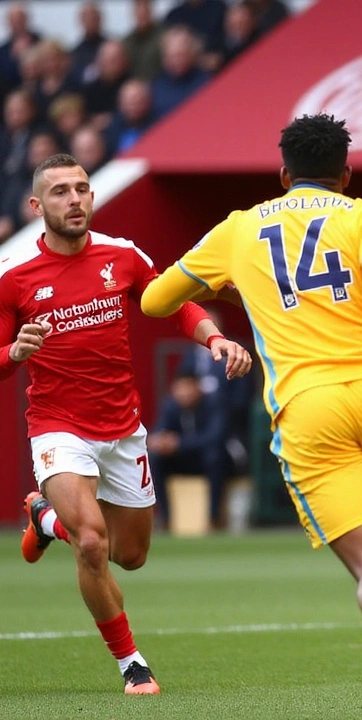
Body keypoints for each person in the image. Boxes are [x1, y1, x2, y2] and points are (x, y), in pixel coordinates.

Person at [138, 115, 362, 720]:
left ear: (282, 175)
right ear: (347, 175)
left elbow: (154, 300)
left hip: (309, 409)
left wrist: (235, 291)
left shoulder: (239, 228)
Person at [4, 153, 251, 695]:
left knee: (130, 555)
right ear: (36, 205)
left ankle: (45, 520)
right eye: (62, 191)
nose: (75, 199)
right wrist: (12, 353)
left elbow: (175, 302)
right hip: (57, 426)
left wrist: (214, 337)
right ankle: (132, 665)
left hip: (122, 428)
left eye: (82, 189)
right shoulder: (14, 278)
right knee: (91, 544)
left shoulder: (122, 256)